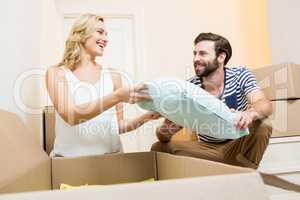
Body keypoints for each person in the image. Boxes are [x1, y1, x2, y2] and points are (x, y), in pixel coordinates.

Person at [151, 32, 272, 169]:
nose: (196, 58)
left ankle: (245, 173)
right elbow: (164, 137)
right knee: (159, 147)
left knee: (263, 124)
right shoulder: (189, 87)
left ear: (221, 57)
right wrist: (166, 127)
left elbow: (264, 103)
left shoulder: (240, 75)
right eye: (194, 53)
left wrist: (249, 114)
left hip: (238, 145)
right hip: (207, 149)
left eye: (202, 54)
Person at [46, 13, 159, 157]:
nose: (106, 39)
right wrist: (117, 96)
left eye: (106, 34)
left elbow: (118, 126)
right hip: (69, 163)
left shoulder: (113, 76)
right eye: (100, 32)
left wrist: (148, 117)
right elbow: (70, 116)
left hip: (111, 160)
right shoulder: (56, 73)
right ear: (80, 34)